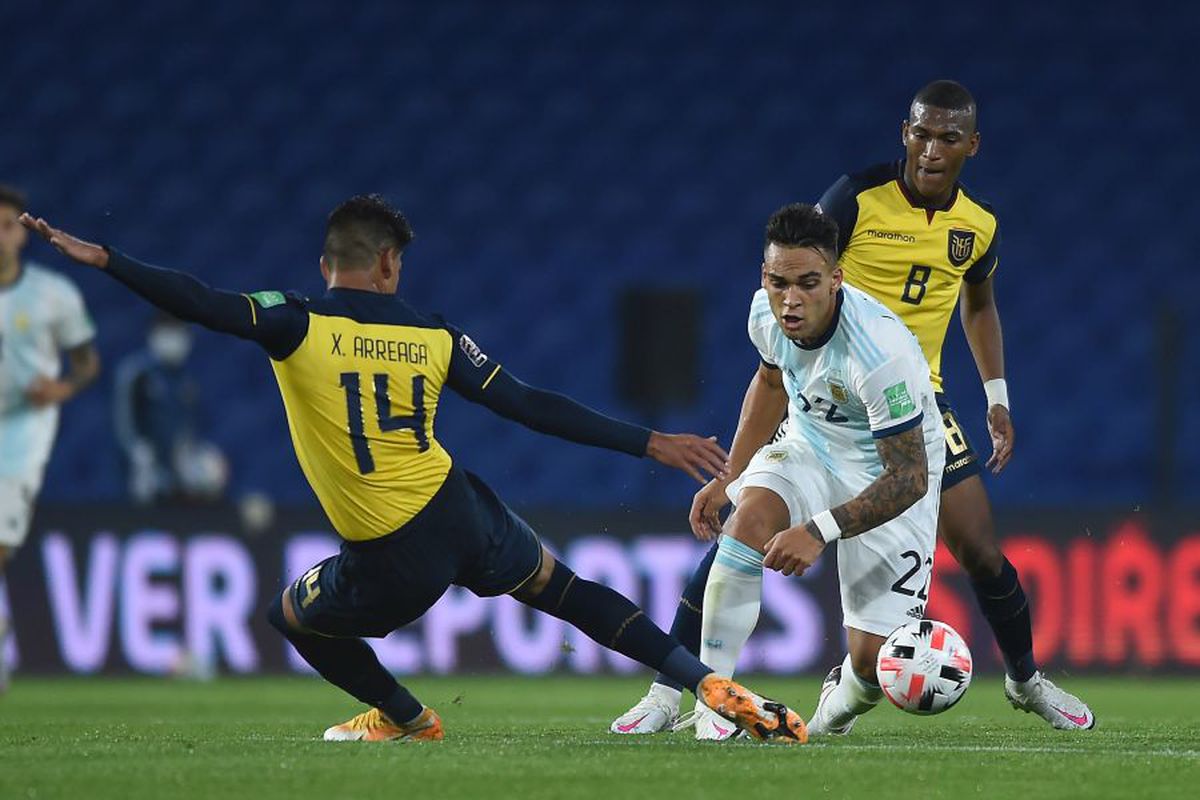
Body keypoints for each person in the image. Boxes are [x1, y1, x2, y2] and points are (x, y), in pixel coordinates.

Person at [19, 195, 806, 744]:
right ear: (389, 265)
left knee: (288, 618)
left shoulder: (293, 320)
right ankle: (702, 679)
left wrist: (107, 258)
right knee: (564, 592)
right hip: (462, 508)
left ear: (327, 262)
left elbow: (196, 299)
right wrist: (649, 443)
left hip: (390, 549)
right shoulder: (435, 333)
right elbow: (530, 404)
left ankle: (405, 717)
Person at [611, 80, 1094, 736]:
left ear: (971, 146)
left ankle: (1023, 681)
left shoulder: (976, 228)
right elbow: (792, 292)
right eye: (921, 134)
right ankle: (677, 690)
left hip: (909, 400)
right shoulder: (854, 201)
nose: (931, 149)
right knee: (744, 524)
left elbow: (980, 306)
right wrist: (732, 474)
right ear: (905, 133)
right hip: (830, 394)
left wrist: (997, 397)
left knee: (978, 552)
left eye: (948, 137)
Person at [640, 202, 945, 739]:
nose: (791, 299)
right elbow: (772, 384)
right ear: (765, 276)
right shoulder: (764, 312)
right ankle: (718, 705)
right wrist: (730, 478)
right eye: (779, 282)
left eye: (807, 283)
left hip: (889, 471)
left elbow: (908, 478)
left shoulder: (879, 353)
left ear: (836, 278)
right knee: (747, 523)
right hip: (809, 445)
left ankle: (835, 709)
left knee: (874, 665)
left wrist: (818, 529)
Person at [0, 186, 99, 693]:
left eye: (8, 226)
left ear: (22, 233)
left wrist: (61, 387)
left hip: (21, 426)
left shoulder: (52, 294)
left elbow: (86, 362)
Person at [113, 312, 228, 504]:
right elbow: (123, 421)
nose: (176, 339)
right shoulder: (136, 373)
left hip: (177, 476)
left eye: (180, 332)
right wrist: (137, 453)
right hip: (142, 472)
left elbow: (189, 427)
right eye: (169, 331)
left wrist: (193, 458)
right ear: (154, 334)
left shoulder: (186, 379)